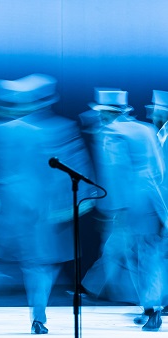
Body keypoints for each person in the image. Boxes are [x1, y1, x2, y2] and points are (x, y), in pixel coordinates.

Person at [0, 74, 96, 334]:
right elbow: (76, 167)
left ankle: (34, 311)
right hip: (43, 212)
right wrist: (76, 203)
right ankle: (37, 315)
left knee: (28, 262)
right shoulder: (58, 128)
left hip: (14, 210)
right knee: (40, 264)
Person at [81, 89, 168, 332]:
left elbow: (115, 174)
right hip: (152, 201)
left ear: (107, 113)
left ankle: (152, 310)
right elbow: (158, 169)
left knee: (137, 259)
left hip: (128, 206)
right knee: (149, 258)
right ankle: (150, 309)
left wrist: (113, 209)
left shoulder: (111, 134)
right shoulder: (146, 129)